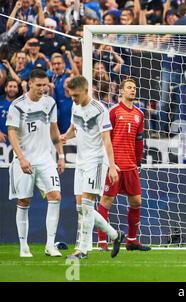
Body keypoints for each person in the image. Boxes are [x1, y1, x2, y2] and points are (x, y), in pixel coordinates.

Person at [60, 75, 124, 259]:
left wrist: (112, 166)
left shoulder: (99, 110)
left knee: (87, 205)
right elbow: (74, 129)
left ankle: (83, 250)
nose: (74, 99)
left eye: (76, 95)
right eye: (72, 95)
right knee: (81, 208)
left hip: (96, 161)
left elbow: (107, 140)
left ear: (87, 91)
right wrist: (65, 136)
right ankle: (115, 235)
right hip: (81, 161)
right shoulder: (75, 106)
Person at [6, 68, 65, 257]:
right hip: (24, 159)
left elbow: (54, 129)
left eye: (45, 85)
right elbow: (11, 132)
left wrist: (61, 155)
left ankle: (50, 245)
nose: (42, 89)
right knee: (24, 201)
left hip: (46, 159)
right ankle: (24, 246)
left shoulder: (50, 103)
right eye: (38, 85)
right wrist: (21, 158)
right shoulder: (18, 105)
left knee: (55, 196)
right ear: (29, 84)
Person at [96, 79, 150, 252]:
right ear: (121, 91)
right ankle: (102, 242)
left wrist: (139, 161)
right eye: (129, 88)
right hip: (115, 165)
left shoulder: (139, 115)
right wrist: (108, 163)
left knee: (136, 201)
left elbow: (139, 140)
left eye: (134, 88)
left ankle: (132, 240)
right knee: (106, 201)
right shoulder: (112, 112)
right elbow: (105, 138)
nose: (132, 90)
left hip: (131, 165)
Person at [0, 78, 20, 145]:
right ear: (5, 88)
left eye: (14, 87)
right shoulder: (0, 101)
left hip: (17, 140)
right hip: (2, 139)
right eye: (10, 86)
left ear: (17, 89)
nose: (12, 89)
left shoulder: (21, 103)